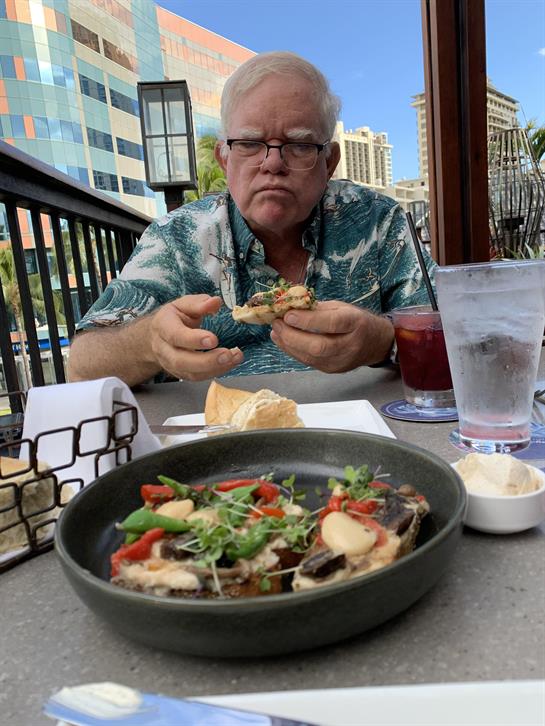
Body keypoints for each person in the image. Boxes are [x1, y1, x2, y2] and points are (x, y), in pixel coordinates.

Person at [68, 51, 435, 386]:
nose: (273, 163)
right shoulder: (175, 238)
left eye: (300, 145)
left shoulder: (378, 222)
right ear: (225, 159)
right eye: (248, 143)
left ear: (329, 162)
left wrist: (382, 341)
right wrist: (148, 343)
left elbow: (460, 336)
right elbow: (81, 365)